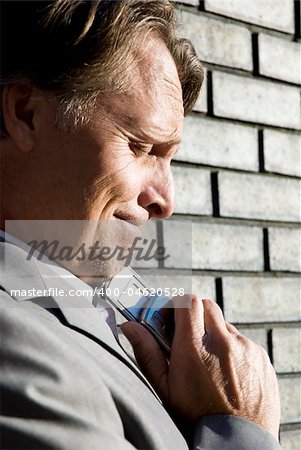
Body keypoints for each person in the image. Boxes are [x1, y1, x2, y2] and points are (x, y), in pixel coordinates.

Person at [0, 1, 281, 449]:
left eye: (169, 157)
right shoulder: (15, 344)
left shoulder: (98, 280)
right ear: (25, 114)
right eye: (140, 146)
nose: (165, 201)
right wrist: (240, 429)